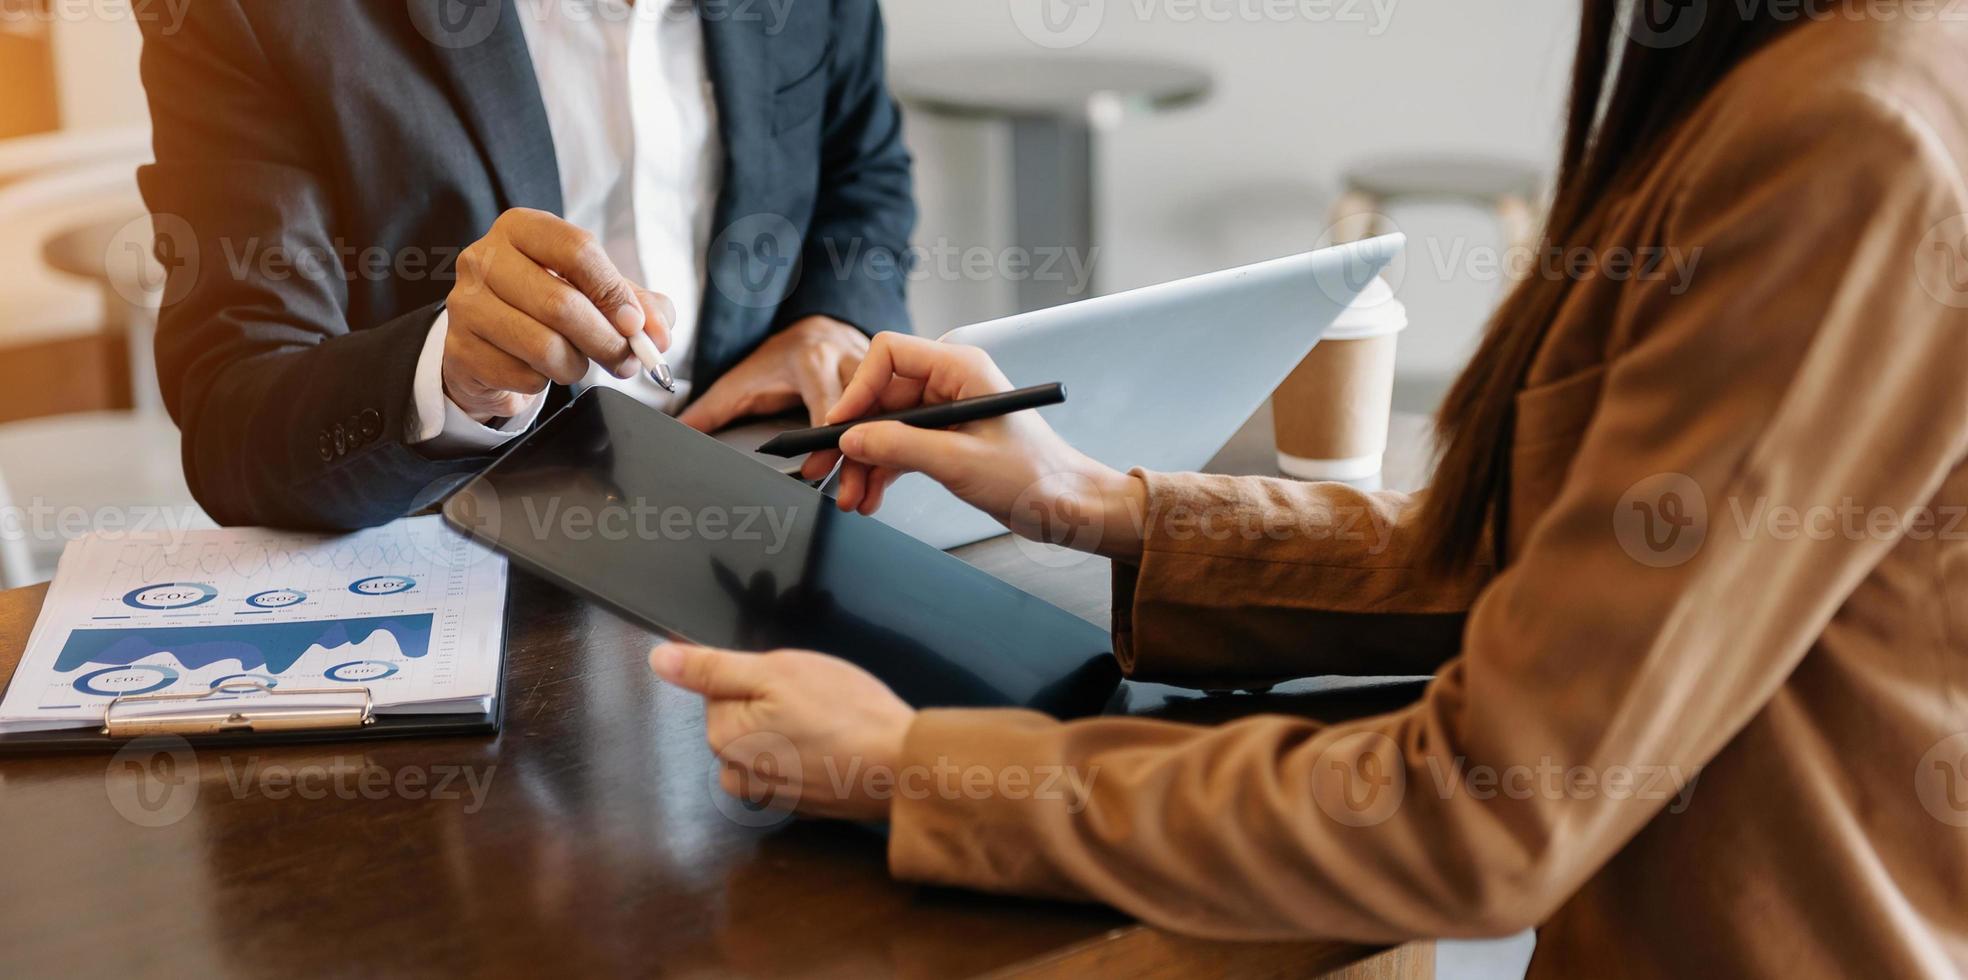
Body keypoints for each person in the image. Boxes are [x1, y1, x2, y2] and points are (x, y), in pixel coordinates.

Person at [650, 7, 1968, 976]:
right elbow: (1567, 562)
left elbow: (1488, 807)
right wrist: (1103, 502)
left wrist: (911, 767)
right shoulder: (1805, 77)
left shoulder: (1843, 138)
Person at [136, 0, 915, 530]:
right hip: (468, 574)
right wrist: (447, 377)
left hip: (764, 526)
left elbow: (860, 168)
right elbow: (232, 419)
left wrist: (834, 314)